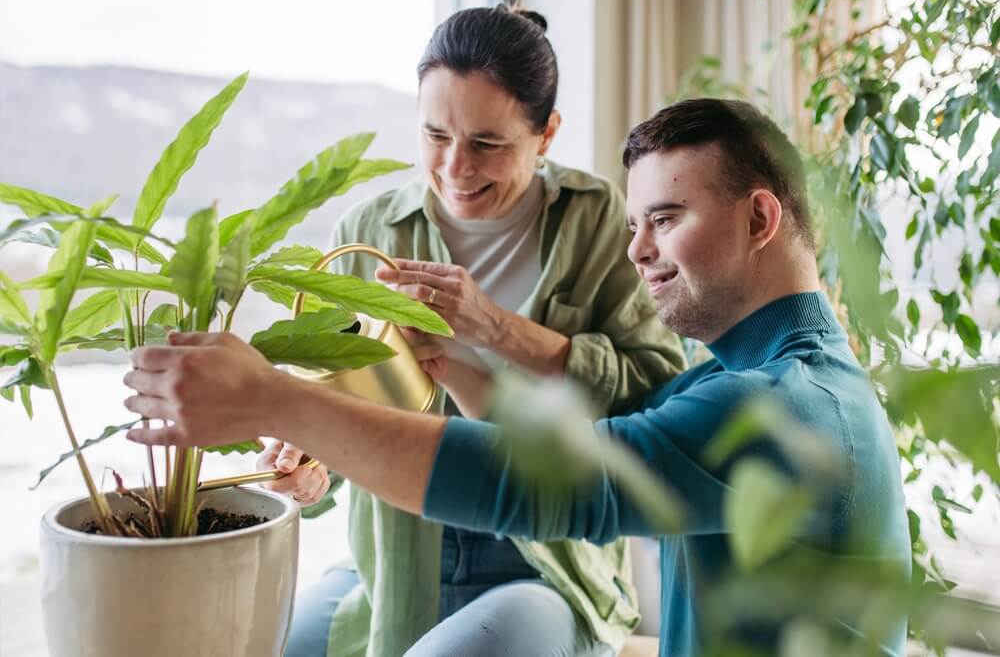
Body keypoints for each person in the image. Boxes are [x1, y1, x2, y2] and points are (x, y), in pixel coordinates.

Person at [123, 98, 911, 656]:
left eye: (665, 219)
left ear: (760, 219)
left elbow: (553, 484)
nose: (637, 251)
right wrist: (454, 365)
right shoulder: (761, 376)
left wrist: (275, 397)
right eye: (636, 224)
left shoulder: (781, 408)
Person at [256, 4, 685, 657]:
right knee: (259, 640)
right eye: (435, 135)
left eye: (487, 143)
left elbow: (659, 396)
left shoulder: (600, 222)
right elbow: (335, 415)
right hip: (397, 554)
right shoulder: (369, 233)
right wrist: (309, 468)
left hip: (542, 558)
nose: (456, 168)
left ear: (546, 135)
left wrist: (496, 327)